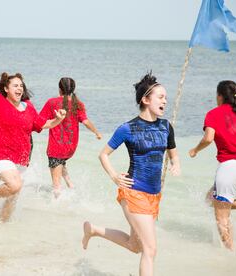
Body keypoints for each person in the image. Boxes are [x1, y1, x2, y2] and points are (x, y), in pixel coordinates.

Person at [82, 72, 180, 276]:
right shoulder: (128, 128)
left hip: (154, 195)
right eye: (160, 97)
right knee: (150, 249)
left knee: (135, 246)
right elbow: (103, 155)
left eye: (166, 98)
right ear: (145, 100)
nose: (164, 101)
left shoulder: (166, 126)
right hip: (134, 192)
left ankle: (94, 230)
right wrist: (114, 176)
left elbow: (173, 152)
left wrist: (175, 164)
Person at [0, 49, 66, 222]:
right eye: (15, 85)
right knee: (15, 185)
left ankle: (1, 228)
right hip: (0, 153)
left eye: (21, 85)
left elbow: (42, 124)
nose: (19, 88)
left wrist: (57, 120)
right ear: (6, 89)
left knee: (13, 196)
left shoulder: (29, 107)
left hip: (20, 157)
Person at [189, 80, 236, 250]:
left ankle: (231, 254)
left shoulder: (213, 114)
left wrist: (195, 150)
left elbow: (208, 138)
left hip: (229, 169)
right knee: (209, 199)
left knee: (221, 219)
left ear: (219, 96)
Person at [40, 77, 102, 197]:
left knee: (56, 185)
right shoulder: (78, 104)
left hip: (56, 147)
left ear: (59, 89)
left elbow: (40, 121)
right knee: (61, 162)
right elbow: (85, 122)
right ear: (73, 89)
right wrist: (96, 132)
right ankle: (71, 186)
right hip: (70, 147)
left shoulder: (52, 102)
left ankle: (58, 205)